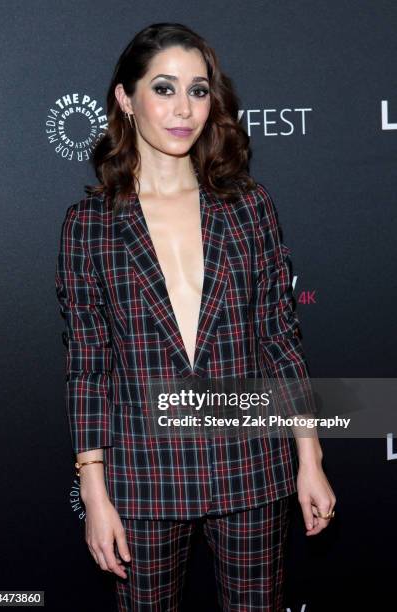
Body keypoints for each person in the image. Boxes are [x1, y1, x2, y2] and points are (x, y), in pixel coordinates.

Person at [55, 22, 336, 612]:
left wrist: (309, 458)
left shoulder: (248, 207)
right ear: (126, 100)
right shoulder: (89, 225)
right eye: (164, 89)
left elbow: (280, 340)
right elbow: (88, 367)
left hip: (251, 467)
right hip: (144, 476)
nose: (184, 108)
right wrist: (94, 489)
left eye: (199, 90)